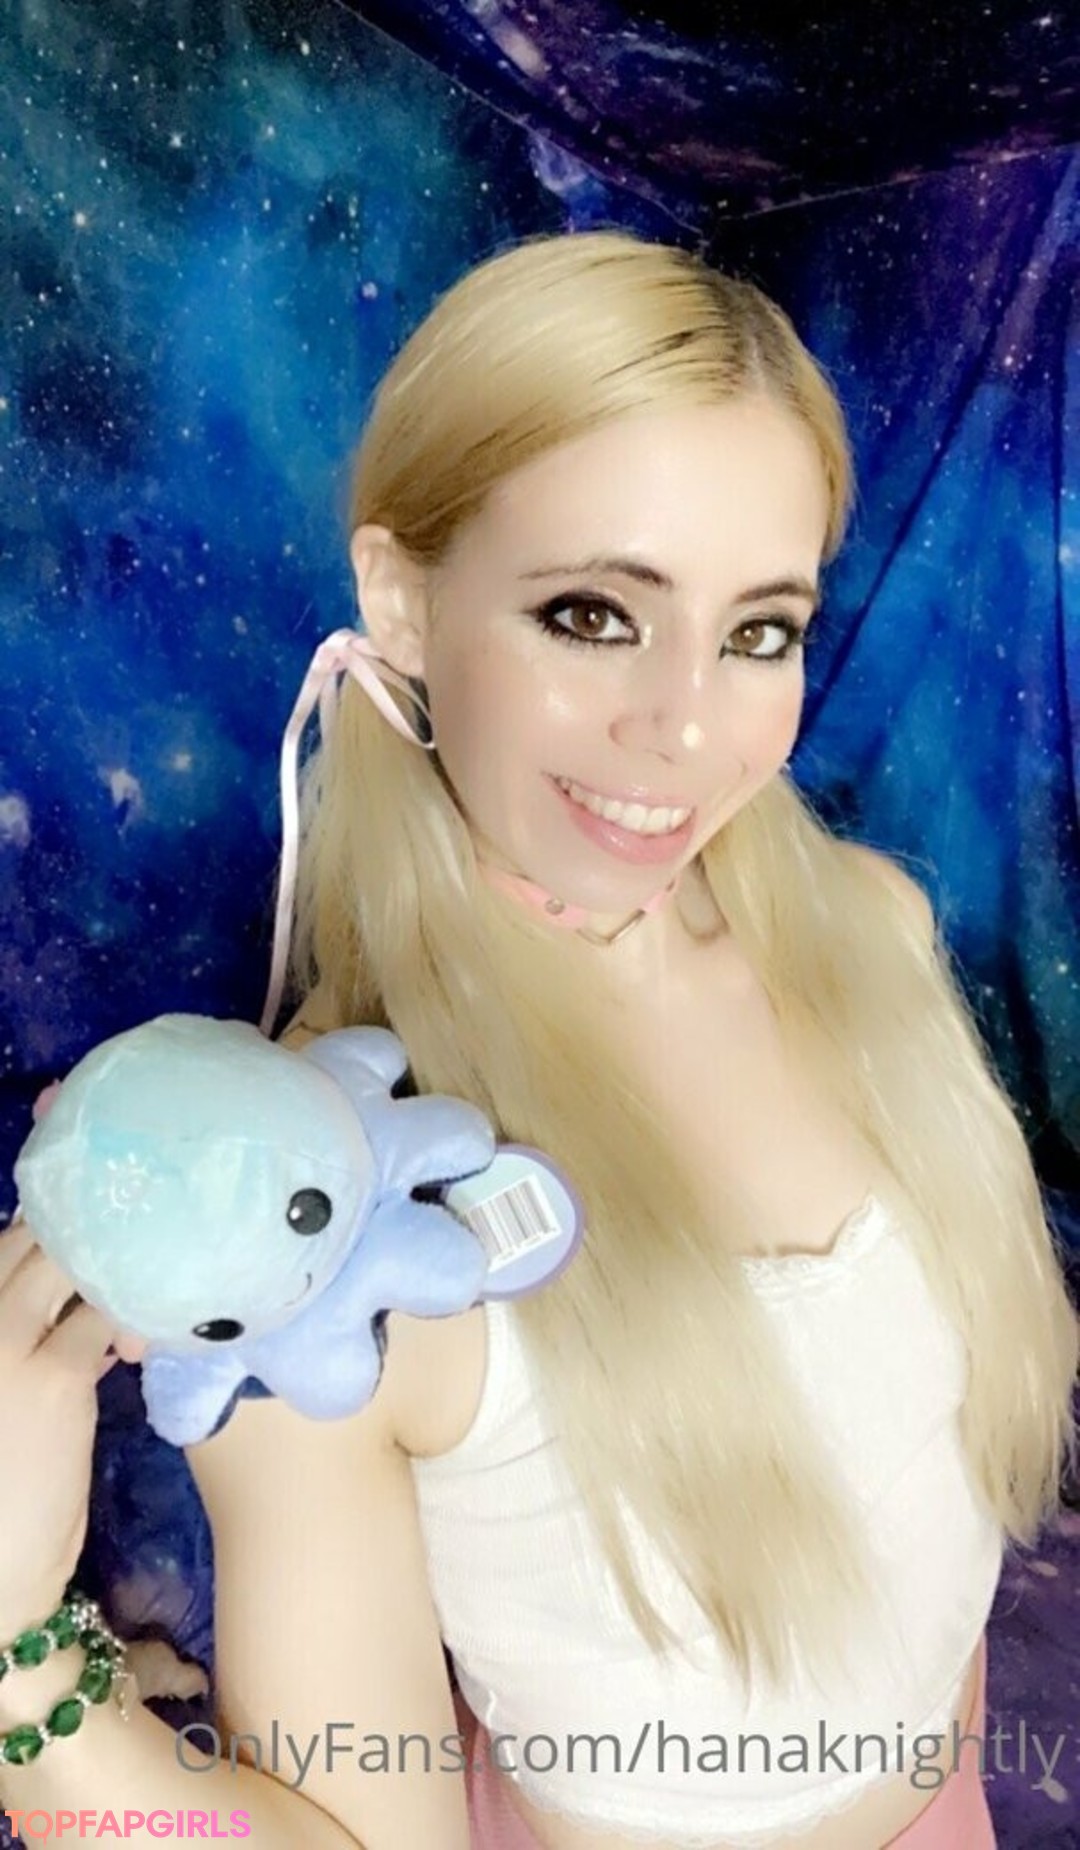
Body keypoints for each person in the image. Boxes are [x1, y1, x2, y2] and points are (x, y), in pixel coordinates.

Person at [1, 229, 1076, 1850]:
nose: (686, 726)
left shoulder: (870, 931)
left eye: (759, 631)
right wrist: (18, 1656)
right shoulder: (331, 1231)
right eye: (591, 612)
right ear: (404, 600)